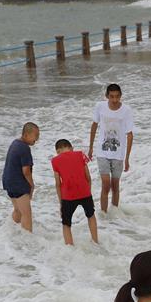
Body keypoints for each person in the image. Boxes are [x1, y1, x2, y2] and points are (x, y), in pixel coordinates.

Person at [88, 84, 134, 214]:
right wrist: (91, 148)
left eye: (117, 97)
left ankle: (114, 215)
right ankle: (103, 214)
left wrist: (127, 158)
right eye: (112, 97)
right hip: (102, 151)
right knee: (106, 184)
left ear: (120, 96)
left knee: (115, 186)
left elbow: (130, 134)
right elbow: (94, 125)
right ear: (106, 96)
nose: (115, 100)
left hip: (118, 154)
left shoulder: (126, 110)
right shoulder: (100, 106)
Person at [51, 138, 99, 246]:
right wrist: (88, 192)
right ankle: (95, 242)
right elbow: (88, 177)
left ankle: (70, 246)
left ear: (57, 151)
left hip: (68, 195)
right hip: (85, 193)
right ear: (71, 148)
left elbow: (58, 184)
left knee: (66, 224)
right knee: (91, 216)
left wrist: (61, 202)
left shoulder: (55, 160)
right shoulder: (80, 155)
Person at [2, 122, 39, 234]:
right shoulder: (24, 148)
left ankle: (11, 234)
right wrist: (31, 185)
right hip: (18, 184)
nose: (37, 139)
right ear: (26, 135)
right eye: (35, 135)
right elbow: (26, 171)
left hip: (8, 182)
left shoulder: (15, 143)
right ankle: (27, 243)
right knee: (26, 214)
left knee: (18, 210)